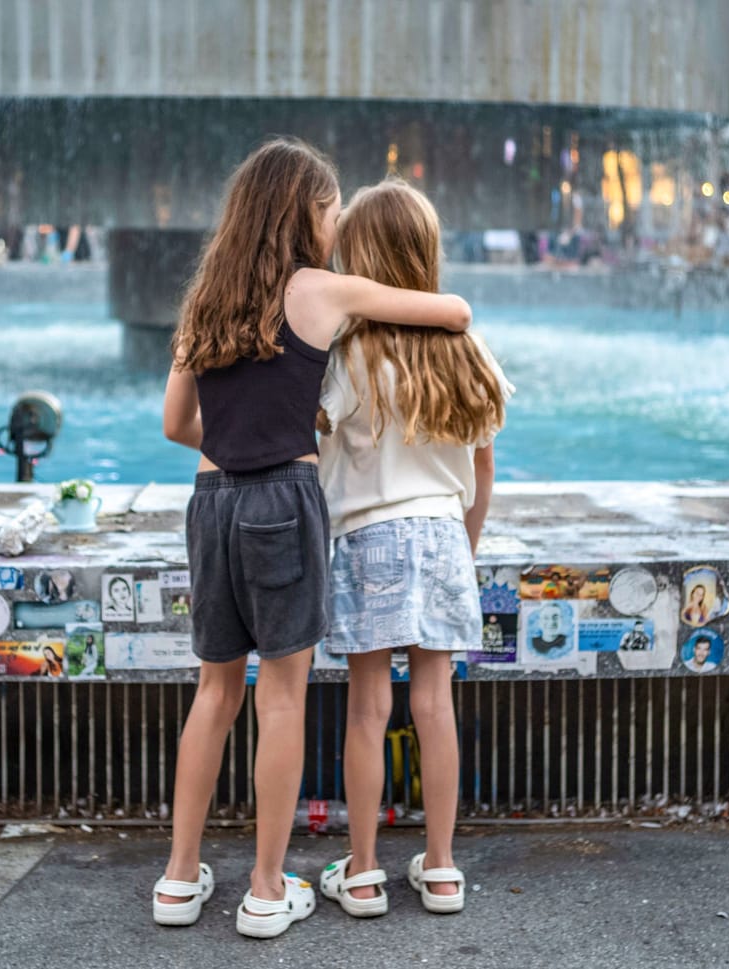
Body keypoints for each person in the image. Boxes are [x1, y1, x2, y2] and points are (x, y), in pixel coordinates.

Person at [154, 138, 472, 939]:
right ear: (304, 209)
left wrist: (235, 423)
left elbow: (175, 425)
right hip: (281, 501)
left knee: (214, 693)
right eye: (330, 210)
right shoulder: (321, 290)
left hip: (210, 500)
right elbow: (452, 312)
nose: (334, 224)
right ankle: (266, 886)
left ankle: (178, 876)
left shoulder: (205, 299)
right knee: (281, 696)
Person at [312, 178, 508, 922]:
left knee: (368, 706)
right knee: (434, 702)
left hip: (369, 538)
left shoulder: (350, 353)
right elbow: (483, 468)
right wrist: (467, 543)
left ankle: (363, 872)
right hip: (443, 534)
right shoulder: (465, 347)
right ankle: (444, 867)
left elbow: (315, 443)